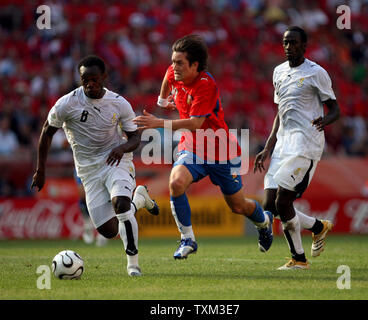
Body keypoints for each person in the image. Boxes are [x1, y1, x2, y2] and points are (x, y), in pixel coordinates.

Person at [133, 34, 273, 259]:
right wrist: (162, 101)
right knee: (176, 183)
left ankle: (264, 221)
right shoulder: (174, 72)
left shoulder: (206, 85)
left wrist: (158, 122)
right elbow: (167, 79)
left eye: (180, 63)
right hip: (192, 148)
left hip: (222, 152)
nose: (174, 67)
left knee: (237, 206)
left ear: (195, 65)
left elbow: (195, 123)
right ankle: (187, 239)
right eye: (173, 61)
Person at [31, 55, 159, 276]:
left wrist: (121, 148)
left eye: (94, 79)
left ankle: (133, 264)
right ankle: (139, 198)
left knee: (120, 205)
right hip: (88, 171)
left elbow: (135, 138)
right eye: (85, 79)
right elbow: (47, 132)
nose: (89, 83)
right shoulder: (67, 103)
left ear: (104, 77)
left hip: (116, 161)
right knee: (109, 230)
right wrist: (40, 170)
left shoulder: (119, 103)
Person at [254, 26, 340, 270]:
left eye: (293, 43)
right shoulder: (278, 72)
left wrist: (326, 120)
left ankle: (299, 260)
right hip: (283, 143)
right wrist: (268, 146)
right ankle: (318, 227)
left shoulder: (316, 73)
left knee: (283, 203)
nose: (288, 47)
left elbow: (335, 108)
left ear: (304, 46)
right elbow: (279, 113)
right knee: (269, 206)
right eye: (285, 43)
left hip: (305, 144)